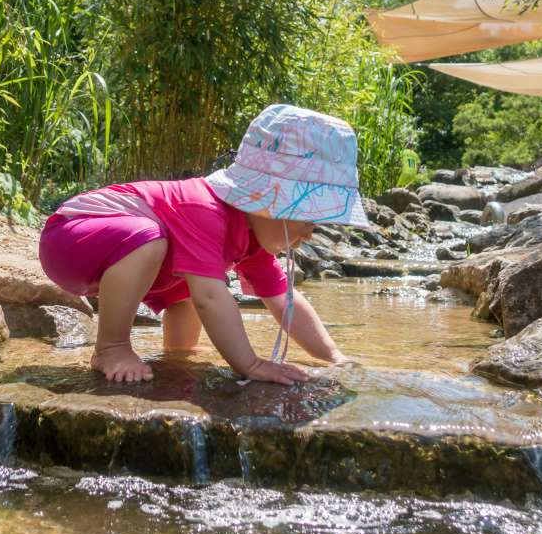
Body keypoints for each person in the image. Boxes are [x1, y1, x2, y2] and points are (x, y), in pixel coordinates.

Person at [39, 104, 371, 385]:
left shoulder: (252, 240)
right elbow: (211, 299)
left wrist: (334, 357)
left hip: (118, 248)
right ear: (271, 201)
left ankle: (178, 357)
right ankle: (111, 347)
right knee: (168, 256)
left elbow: (286, 301)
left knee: (189, 282)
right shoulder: (206, 209)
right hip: (72, 235)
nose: (310, 234)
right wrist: (251, 365)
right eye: (308, 219)